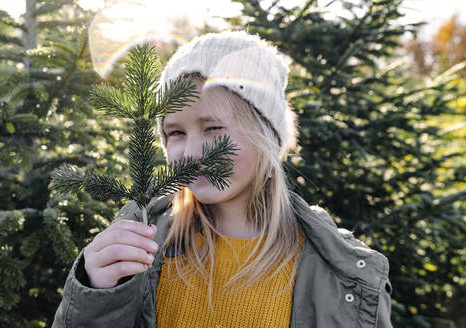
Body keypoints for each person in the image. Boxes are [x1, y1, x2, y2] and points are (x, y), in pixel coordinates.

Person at [52, 30, 393, 328]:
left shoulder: (344, 273)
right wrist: (97, 291)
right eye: (175, 132)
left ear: (267, 135)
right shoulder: (143, 245)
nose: (191, 151)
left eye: (213, 128)